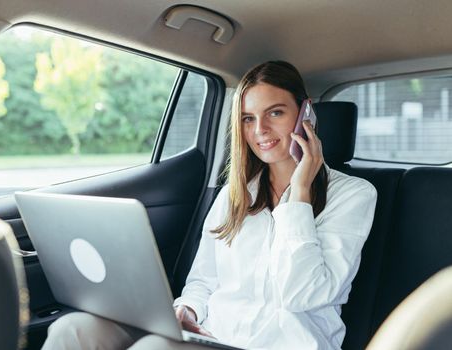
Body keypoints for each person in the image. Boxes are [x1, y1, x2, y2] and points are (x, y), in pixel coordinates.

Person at [42, 61, 377, 350]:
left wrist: (300, 191)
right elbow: (204, 280)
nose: (259, 130)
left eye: (274, 113)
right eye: (247, 118)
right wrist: (187, 309)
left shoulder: (353, 195)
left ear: (306, 114)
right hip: (215, 337)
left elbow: (302, 295)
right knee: (73, 329)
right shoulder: (235, 194)